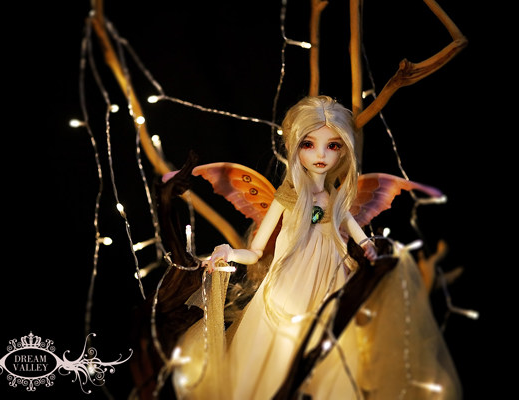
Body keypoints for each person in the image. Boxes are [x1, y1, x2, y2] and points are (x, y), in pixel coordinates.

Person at [169, 95, 460, 399]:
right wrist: (229, 253)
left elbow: (361, 238)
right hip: (286, 288)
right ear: (294, 146)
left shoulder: (337, 201)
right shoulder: (287, 198)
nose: (321, 154)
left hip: (329, 287)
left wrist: (370, 248)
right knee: (272, 360)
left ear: (343, 150)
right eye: (309, 144)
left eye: (332, 145)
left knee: (328, 361)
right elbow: (255, 252)